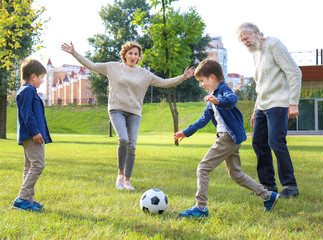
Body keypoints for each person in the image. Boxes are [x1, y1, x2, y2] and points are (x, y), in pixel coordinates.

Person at [61, 41, 195, 191]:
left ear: (139, 57)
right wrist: (74, 52)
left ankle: (127, 180)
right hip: (116, 109)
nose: (133, 56)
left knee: (132, 145)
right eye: (130, 53)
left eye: (136, 54)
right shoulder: (112, 67)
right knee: (123, 139)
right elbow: (91, 65)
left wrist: (183, 77)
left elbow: (164, 82)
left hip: (134, 112)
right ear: (124, 54)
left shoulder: (145, 74)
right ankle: (120, 174)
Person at [174, 59, 279, 218]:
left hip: (226, 137)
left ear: (212, 77)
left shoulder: (223, 90)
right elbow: (204, 119)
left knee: (203, 168)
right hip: (230, 138)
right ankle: (267, 195)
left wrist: (218, 101)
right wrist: (186, 132)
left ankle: (200, 208)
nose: (200, 85)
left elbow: (231, 100)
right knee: (236, 175)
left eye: (202, 81)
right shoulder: (212, 97)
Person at [237, 22, 301, 198]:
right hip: (263, 106)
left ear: (256, 33)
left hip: (279, 103)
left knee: (276, 142)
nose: (245, 42)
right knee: (258, 142)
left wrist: (293, 102)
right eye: (242, 40)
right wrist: (255, 110)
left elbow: (294, 72)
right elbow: (261, 85)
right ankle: (267, 186)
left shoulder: (274, 44)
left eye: (246, 37)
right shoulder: (256, 54)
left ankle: (290, 186)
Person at [13, 59, 52, 211]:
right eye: (42, 77)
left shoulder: (28, 90)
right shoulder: (27, 90)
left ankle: (28, 200)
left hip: (32, 134)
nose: (42, 81)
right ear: (33, 76)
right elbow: (27, 114)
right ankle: (21, 198)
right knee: (38, 165)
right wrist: (35, 132)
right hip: (32, 135)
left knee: (29, 166)